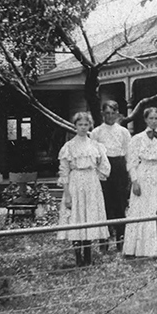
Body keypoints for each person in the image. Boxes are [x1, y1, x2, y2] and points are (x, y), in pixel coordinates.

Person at [57, 111, 111, 267]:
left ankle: (88, 256)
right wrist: (67, 194)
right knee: (77, 216)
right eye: (79, 124)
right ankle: (78, 257)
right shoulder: (69, 146)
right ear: (75, 126)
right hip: (75, 183)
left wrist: (97, 176)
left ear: (90, 126)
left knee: (89, 216)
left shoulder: (95, 145)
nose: (82, 127)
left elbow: (105, 165)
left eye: (85, 124)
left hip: (91, 183)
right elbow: (64, 170)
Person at [122, 107, 157, 259]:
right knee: (141, 208)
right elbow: (131, 162)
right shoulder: (137, 139)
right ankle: (135, 249)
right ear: (145, 120)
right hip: (142, 174)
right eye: (150, 118)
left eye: (156, 118)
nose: (153, 121)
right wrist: (135, 181)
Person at [90, 100, 131, 252]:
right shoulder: (96, 132)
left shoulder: (123, 132)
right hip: (103, 168)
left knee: (120, 205)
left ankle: (121, 242)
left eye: (113, 113)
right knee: (105, 205)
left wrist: (130, 174)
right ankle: (104, 242)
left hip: (119, 168)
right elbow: (94, 154)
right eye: (107, 113)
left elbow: (128, 154)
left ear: (117, 114)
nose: (110, 116)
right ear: (102, 114)